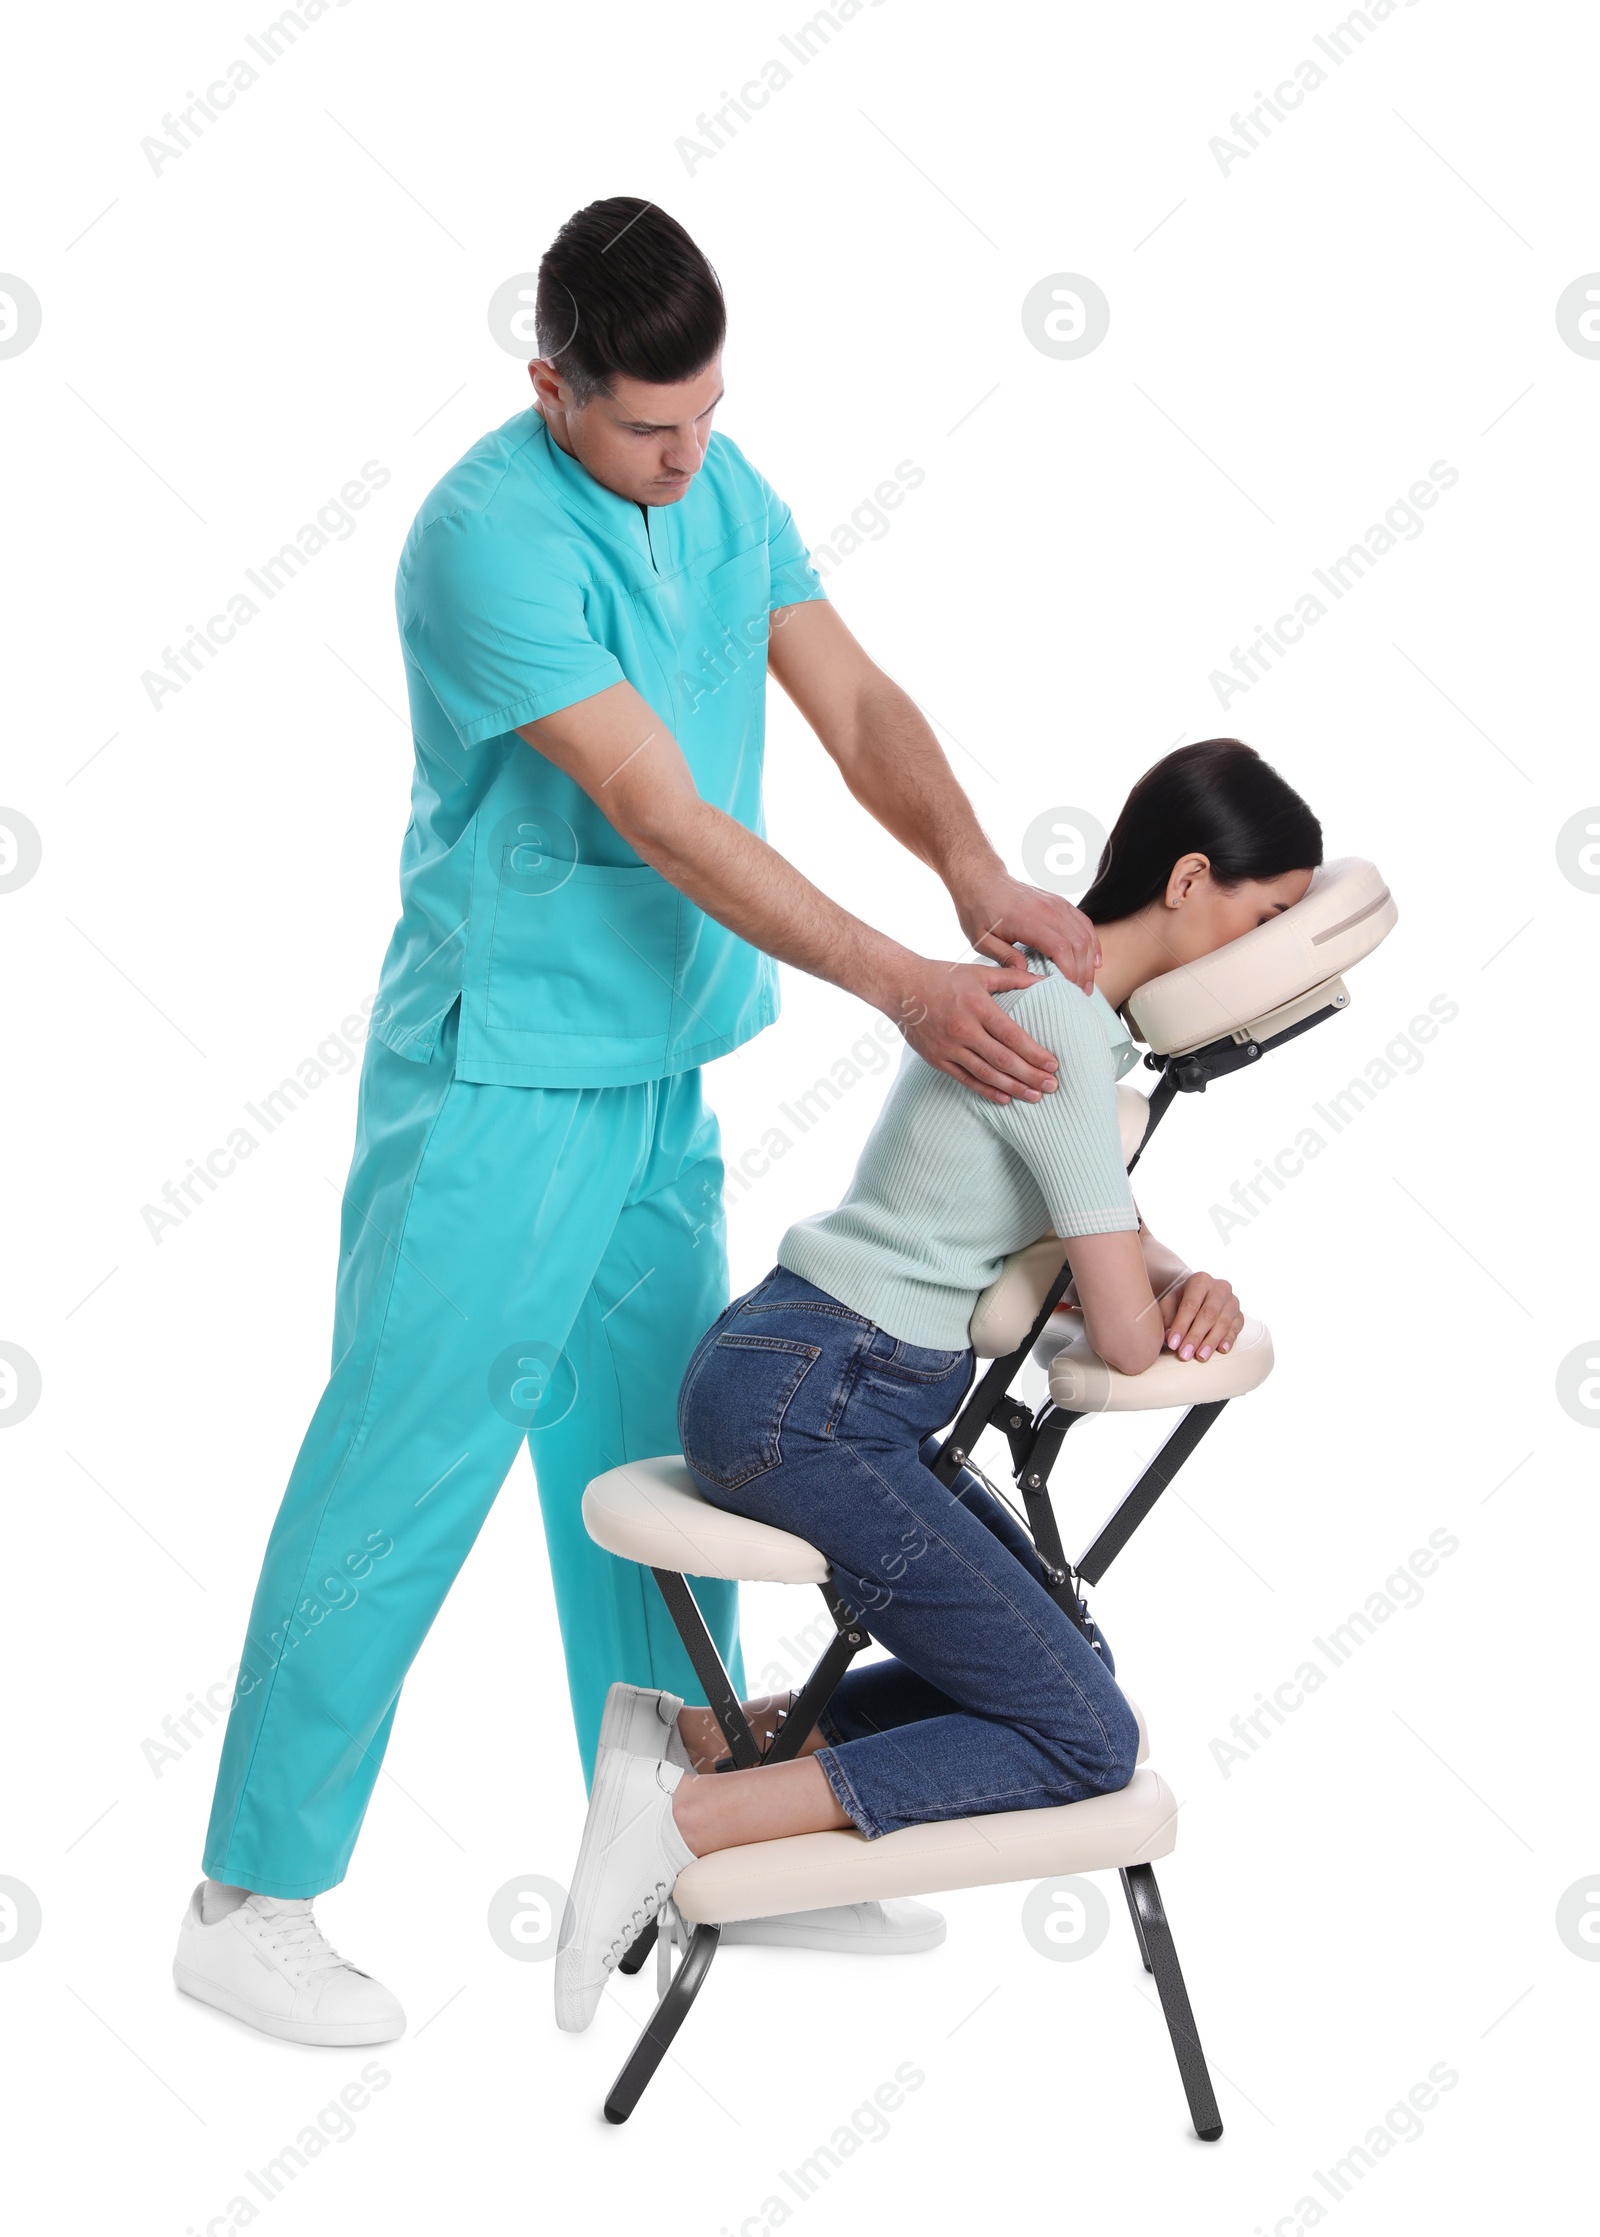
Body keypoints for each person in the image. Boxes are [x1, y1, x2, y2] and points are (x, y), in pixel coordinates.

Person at [174, 197, 1112, 2046]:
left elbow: (847, 694)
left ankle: (692, 1843)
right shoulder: (484, 543)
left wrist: (971, 868)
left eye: (706, 419)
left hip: (656, 1072)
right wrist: (912, 987)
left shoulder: (720, 479)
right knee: (402, 1460)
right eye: (648, 430)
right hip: (500, 1075)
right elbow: (664, 816)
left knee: (666, 1482)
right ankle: (246, 1894)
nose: (690, 461)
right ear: (552, 386)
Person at [554, 739, 1322, 2029]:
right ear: (1192, 880)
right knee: (1085, 1735)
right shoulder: (1073, 1031)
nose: (1269, 950)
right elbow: (1125, 1337)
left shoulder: (1049, 1001)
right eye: (1270, 914)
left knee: (1061, 1659)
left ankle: (695, 1738)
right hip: (822, 1402)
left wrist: (1167, 1266)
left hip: (805, 1373)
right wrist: (1165, 1291)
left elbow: (1060, 1232)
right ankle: (693, 1822)